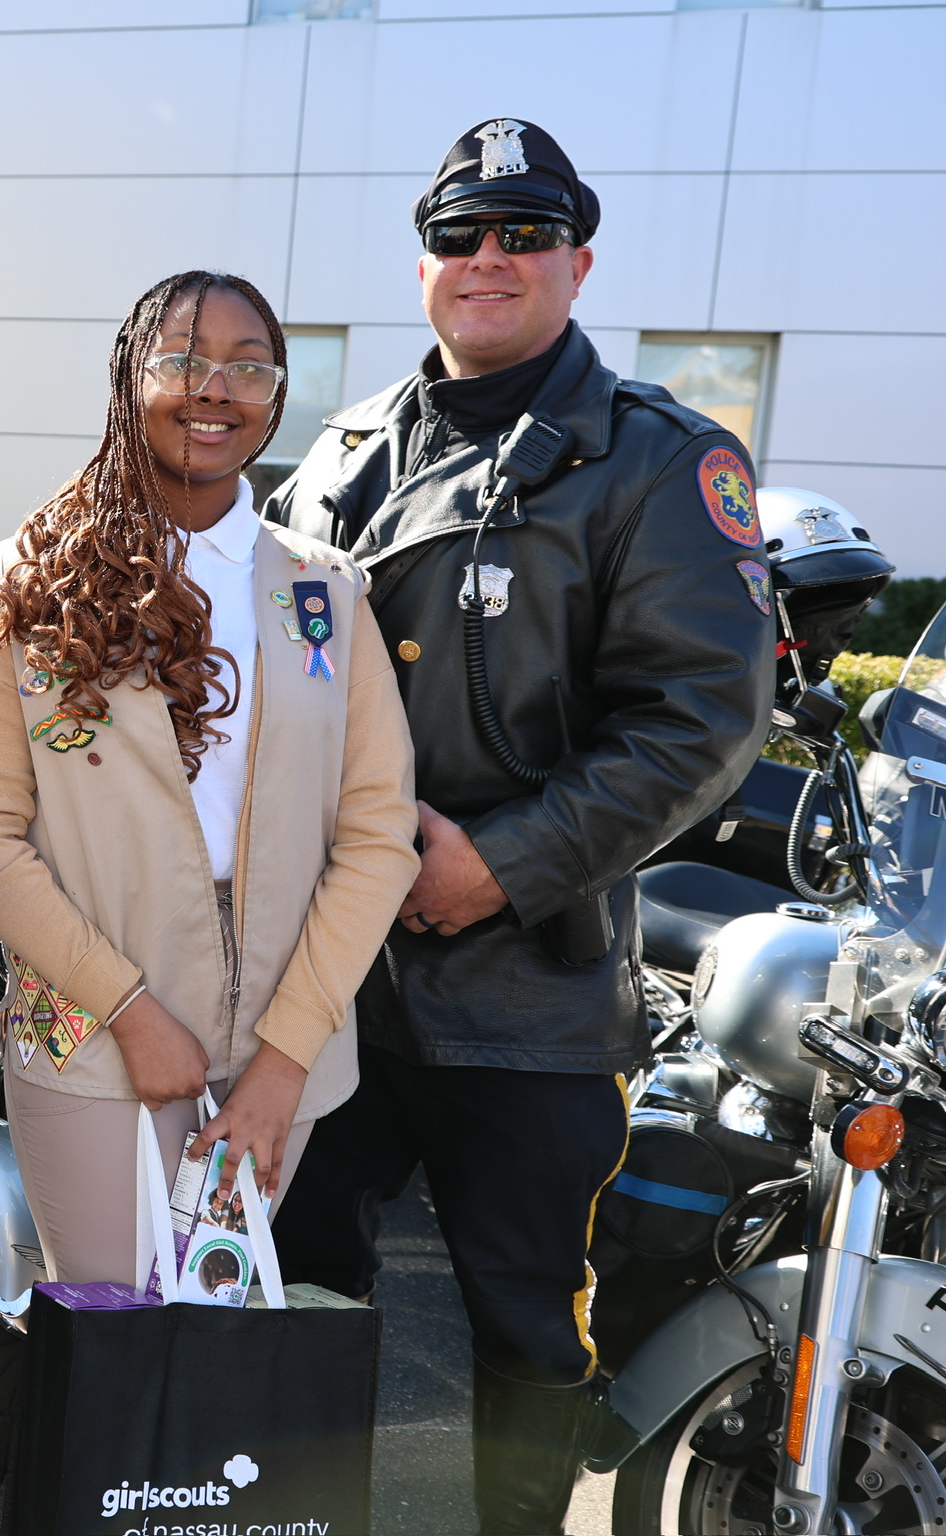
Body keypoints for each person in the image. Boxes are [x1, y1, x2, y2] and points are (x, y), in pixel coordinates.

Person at [262, 120, 772, 1534]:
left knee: (532, 1335)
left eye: (524, 234)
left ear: (577, 262)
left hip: (530, 993)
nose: (488, 258)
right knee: (293, 1291)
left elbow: (701, 722)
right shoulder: (343, 453)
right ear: (420, 262)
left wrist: (503, 862)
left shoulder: (661, 462)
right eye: (458, 234)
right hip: (331, 980)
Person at [0, 271, 419, 1294]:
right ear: (128, 378)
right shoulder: (33, 577)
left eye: (249, 368)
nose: (216, 390)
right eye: (184, 361)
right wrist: (131, 1012)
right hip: (93, 1036)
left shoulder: (324, 593)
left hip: (288, 1038)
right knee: (117, 1339)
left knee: (208, 1338)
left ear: (277, 398)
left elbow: (378, 834)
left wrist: (286, 1060)